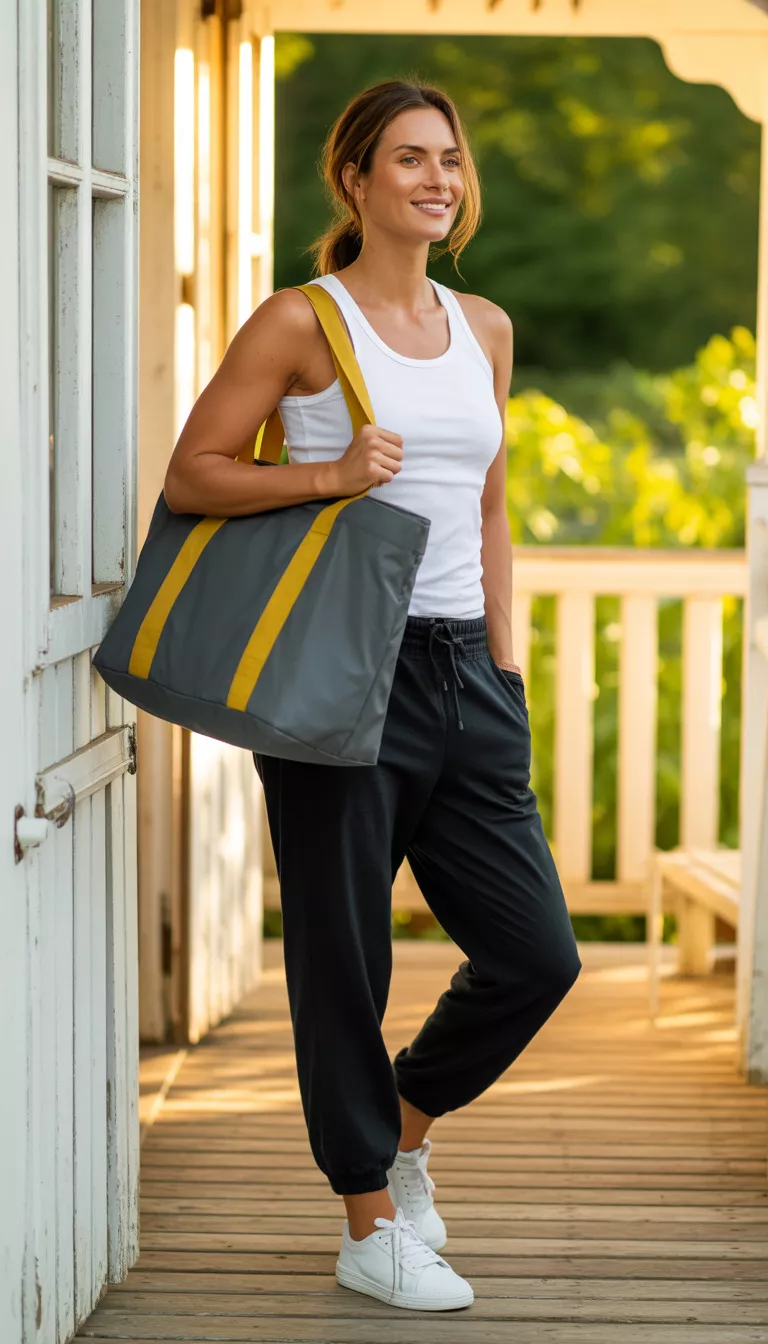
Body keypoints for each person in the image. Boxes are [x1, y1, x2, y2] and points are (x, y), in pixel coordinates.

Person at [163, 77, 581, 1314]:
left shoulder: (485, 327)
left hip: (467, 673)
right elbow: (192, 474)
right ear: (353, 179)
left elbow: (491, 505)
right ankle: (365, 1222)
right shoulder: (301, 323)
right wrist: (332, 473)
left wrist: (506, 655)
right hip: (342, 672)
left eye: (449, 159)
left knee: (534, 953)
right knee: (343, 958)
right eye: (409, 159)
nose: (437, 180)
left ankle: (401, 1128)